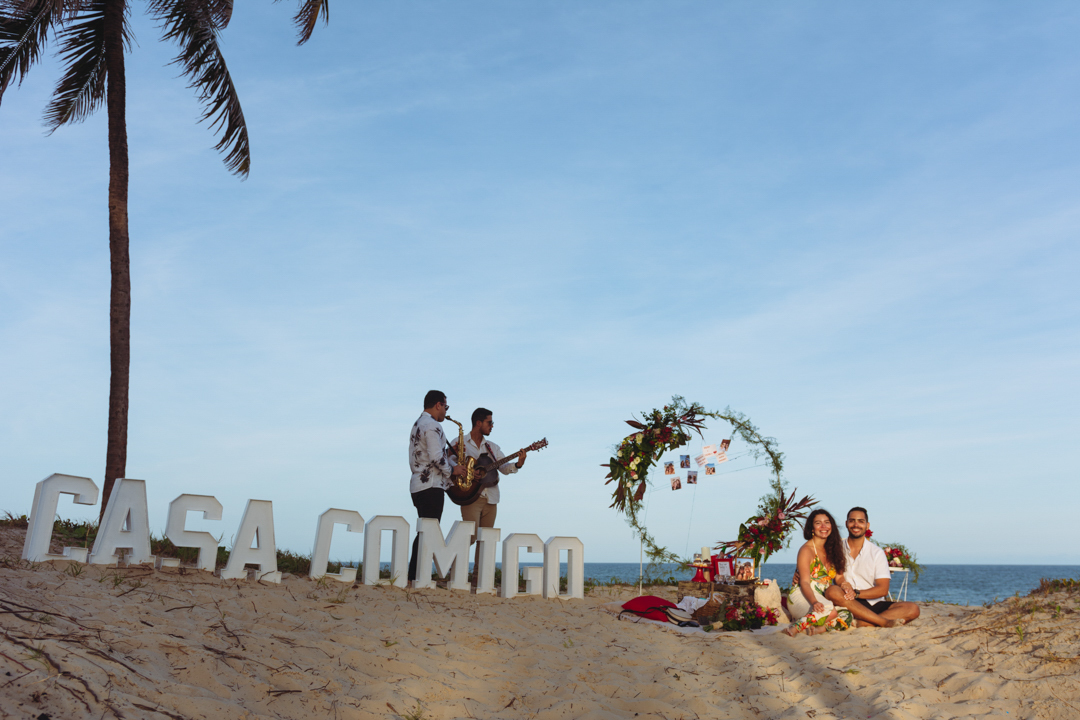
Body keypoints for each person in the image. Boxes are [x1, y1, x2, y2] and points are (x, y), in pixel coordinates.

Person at [407, 390, 468, 583]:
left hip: (418, 486)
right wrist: (454, 470)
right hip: (431, 486)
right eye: (446, 407)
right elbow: (435, 458)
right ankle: (415, 575)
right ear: (438, 405)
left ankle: (414, 575)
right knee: (429, 533)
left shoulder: (418, 424)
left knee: (424, 532)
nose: (446, 412)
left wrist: (450, 456)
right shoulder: (432, 425)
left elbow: (429, 456)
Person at [824, 507, 921, 627]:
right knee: (832, 591)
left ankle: (863, 622)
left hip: (872, 603)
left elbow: (883, 589)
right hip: (846, 601)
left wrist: (856, 593)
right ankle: (881, 622)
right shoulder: (836, 549)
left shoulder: (877, 553)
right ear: (846, 523)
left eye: (861, 521)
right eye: (852, 520)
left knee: (913, 608)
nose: (856, 524)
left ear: (867, 525)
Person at [459, 408, 527, 577]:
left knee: (486, 540)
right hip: (471, 497)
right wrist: (467, 472)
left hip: (491, 499)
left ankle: (478, 577)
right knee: (471, 536)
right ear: (478, 423)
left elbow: (504, 468)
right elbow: (452, 463)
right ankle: (456, 572)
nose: (492, 426)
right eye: (490, 422)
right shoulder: (461, 443)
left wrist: (518, 464)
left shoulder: (493, 448)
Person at [784, 509, 854, 636]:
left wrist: (845, 585)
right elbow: (804, 582)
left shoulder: (834, 549)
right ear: (811, 527)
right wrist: (814, 602)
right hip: (804, 595)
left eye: (827, 522)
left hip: (824, 596)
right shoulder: (806, 550)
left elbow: (839, 577)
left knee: (847, 614)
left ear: (831, 526)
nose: (823, 526)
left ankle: (818, 629)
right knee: (830, 611)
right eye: (818, 523)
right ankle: (795, 627)